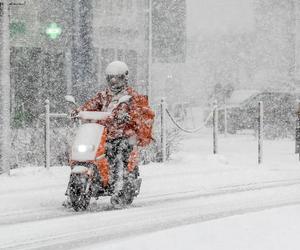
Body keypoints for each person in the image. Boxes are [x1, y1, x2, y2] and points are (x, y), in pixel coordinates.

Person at [72, 61, 154, 202]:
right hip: (102, 135)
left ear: (124, 78)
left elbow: (140, 113)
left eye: (117, 78)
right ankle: (89, 182)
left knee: (119, 153)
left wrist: (129, 116)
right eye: (111, 78)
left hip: (123, 134)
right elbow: (90, 106)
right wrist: (79, 111)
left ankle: (120, 187)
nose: (114, 81)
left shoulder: (131, 96)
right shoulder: (103, 96)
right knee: (89, 152)